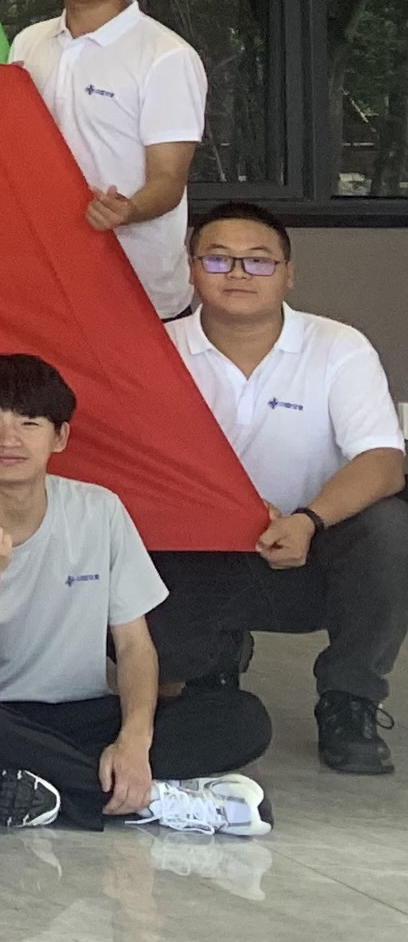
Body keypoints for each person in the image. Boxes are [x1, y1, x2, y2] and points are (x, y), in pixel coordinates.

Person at [0, 351, 270, 834]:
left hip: (81, 711)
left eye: (30, 423)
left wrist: (134, 742)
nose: (9, 439)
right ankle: (144, 798)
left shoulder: (99, 511)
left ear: (60, 436)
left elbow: (134, 646)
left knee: (242, 717)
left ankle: (45, 784)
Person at [157, 203, 402, 775]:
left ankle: (350, 698)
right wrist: (222, 513)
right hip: (199, 549)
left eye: (259, 261)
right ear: (191, 270)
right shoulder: (157, 350)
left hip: (313, 551)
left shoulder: (338, 346)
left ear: (289, 273)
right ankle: (209, 665)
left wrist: (307, 520)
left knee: (390, 530)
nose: (238, 273)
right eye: (218, 259)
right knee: (126, 536)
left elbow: (385, 462)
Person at [8, 0, 206, 319]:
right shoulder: (28, 43)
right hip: (45, 285)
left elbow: (169, 179)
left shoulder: (166, 56)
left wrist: (128, 209)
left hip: (138, 292)